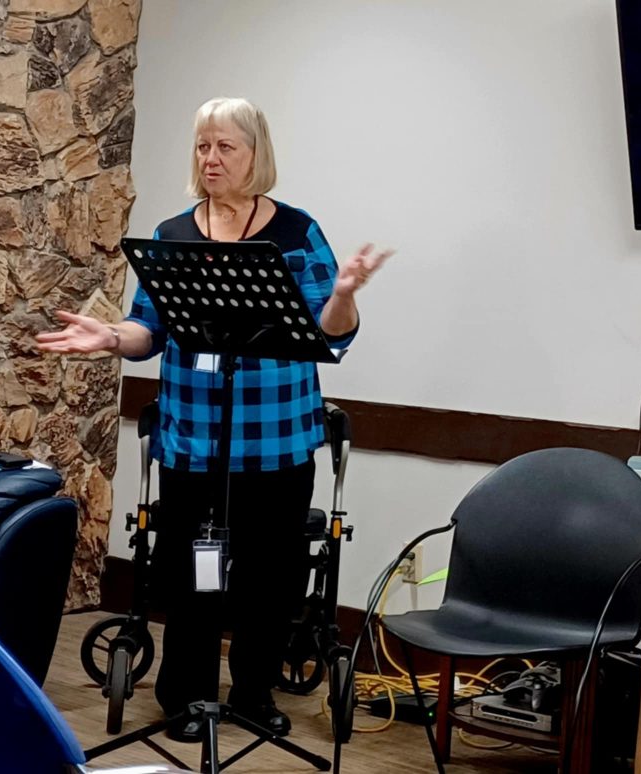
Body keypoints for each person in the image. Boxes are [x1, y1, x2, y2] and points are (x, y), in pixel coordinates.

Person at [37, 97, 391, 743]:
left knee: (269, 578)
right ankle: (185, 697)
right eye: (203, 146)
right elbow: (149, 328)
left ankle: (254, 694)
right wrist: (112, 337)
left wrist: (340, 295)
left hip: (278, 442)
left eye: (226, 147)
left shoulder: (296, 232)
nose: (211, 159)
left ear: (257, 155)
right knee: (189, 573)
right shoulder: (173, 234)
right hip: (194, 442)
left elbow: (329, 337)